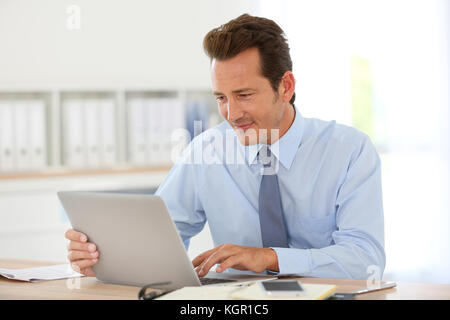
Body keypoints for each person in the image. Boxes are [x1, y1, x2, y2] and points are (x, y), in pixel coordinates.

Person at [65, 14, 385, 280]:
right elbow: (158, 240)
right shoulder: (207, 150)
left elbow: (365, 260)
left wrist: (270, 258)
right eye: (221, 98)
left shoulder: (349, 151)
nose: (232, 114)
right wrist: (105, 258)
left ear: (285, 86)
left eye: (244, 95)